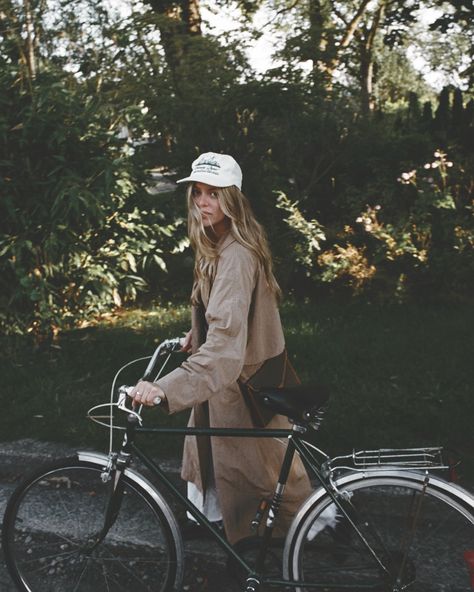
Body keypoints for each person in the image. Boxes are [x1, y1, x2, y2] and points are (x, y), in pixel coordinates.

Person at [131, 152, 312, 544]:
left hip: (240, 381)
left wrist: (165, 388)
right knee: (220, 458)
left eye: (213, 193)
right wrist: (198, 333)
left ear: (231, 198)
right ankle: (217, 525)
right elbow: (225, 313)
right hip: (230, 377)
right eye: (197, 192)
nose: (201, 202)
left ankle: (304, 536)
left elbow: (228, 343)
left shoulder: (236, 255)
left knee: (256, 470)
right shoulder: (218, 242)